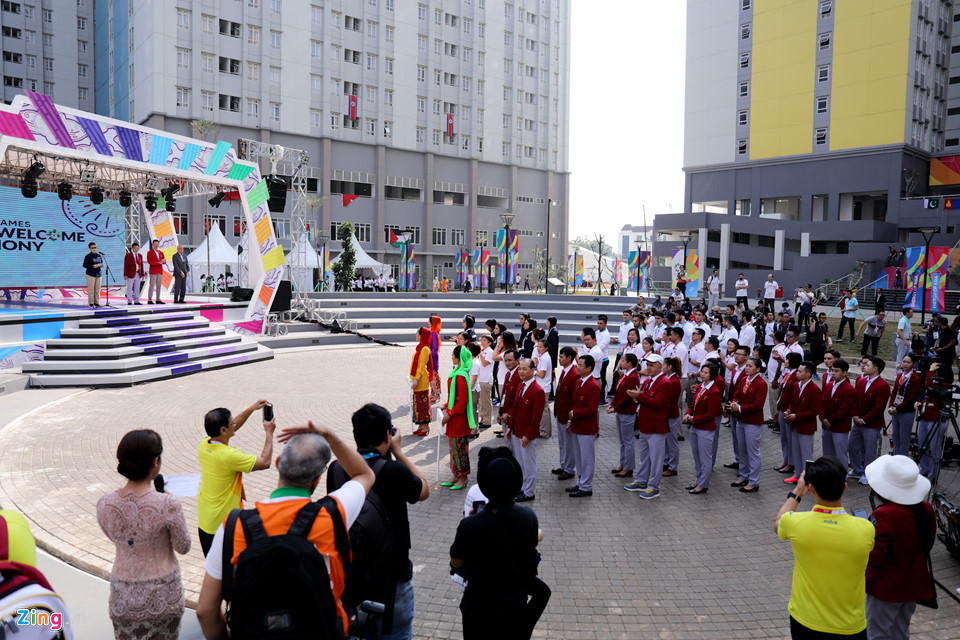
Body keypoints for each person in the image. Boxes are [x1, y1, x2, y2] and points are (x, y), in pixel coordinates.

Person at [196, 424, 376, 639]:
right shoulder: (333, 515)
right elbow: (364, 474)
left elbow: (205, 612)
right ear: (317, 479)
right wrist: (329, 436)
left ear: (279, 464)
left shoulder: (234, 526)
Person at [327, 404, 429, 640]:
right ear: (387, 435)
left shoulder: (336, 470)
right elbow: (423, 490)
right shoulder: (395, 471)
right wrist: (399, 452)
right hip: (393, 580)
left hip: (352, 579)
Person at [97, 430, 190, 640]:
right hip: (163, 596)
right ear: (155, 461)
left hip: (123, 596)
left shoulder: (104, 504)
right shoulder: (167, 504)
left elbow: (114, 538)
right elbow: (183, 546)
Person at [450, 446, 549, 640]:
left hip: (479, 607)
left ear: (485, 485)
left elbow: (456, 562)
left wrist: (471, 527)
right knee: (543, 592)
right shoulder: (528, 516)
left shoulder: (470, 524)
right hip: (514, 605)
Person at [775, 456, 875, 639]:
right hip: (851, 625)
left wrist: (798, 491)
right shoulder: (866, 529)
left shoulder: (795, 522)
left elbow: (778, 522)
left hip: (805, 621)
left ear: (811, 489)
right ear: (844, 488)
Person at [863, 455, 935, 640]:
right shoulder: (926, 509)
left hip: (886, 587)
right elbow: (928, 544)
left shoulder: (885, 515)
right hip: (913, 584)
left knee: (877, 633)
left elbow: (875, 556)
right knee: (901, 631)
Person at [196, 400, 275, 556]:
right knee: (230, 575)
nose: (235, 424)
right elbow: (265, 462)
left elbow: (232, 427)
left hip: (205, 523)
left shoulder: (205, 444)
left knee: (214, 571)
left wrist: (251, 408)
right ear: (223, 430)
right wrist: (269, 434)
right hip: (224, 526)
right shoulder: (229, 456)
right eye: (231, 424)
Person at [625, 353, 671, 499]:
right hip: (646, 425)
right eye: (648, 365)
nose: (648, 368)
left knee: (656, 459)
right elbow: (644, 400)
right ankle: (641, 480)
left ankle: (654, 487)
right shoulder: (648, 381)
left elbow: (658, 403)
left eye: (651, 365)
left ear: (660, 367)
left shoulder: (665, 383)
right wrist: (636, 398)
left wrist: (639, 397)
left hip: (656, 427)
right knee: (645, 457)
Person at [506, 358, 546, 502]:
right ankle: (522, 487)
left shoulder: (538, 391)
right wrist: (510, 427)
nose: (521, 372)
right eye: (520, 369)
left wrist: (528, 435)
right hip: (516, 431)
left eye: (524, 369)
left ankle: (529, 492)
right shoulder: (520, 386)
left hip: (527, 435)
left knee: (529, 464)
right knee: (520, 463)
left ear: (532, 370)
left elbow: (536, 418)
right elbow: (515, 409)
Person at [850, 356, 892, 485]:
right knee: (852, 445)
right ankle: (856, 469)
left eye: (867, 365)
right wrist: (855, 416)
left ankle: (868, 474)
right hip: (858, 421)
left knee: (869, 450)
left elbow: (878, 408)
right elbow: (855, 400)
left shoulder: (883, 386)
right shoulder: (862, 381)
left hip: (871, 424)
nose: (864, 366)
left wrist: (864, 420)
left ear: (875, 369)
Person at [729, 355, 767, 493]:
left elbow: (758, 405)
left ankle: (754, 481)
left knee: (753, 452)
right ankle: (743, 475)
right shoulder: (744, 379)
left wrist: (739, 408)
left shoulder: (761, 383)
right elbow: (736, 393)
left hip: (752, 422)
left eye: (750, 366)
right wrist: (734, 402)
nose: (747, 368)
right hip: (741, 420)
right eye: (747, 366)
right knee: (742, 449)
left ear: (757, 369)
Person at [684, 362, 723, 494]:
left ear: (712, 375)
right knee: (697, 456)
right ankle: (698, 479)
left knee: (705, 458)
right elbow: (693, 404)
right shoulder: (701, 386)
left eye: (706, 373)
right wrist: (688, 413)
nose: (702, 374)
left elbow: (711, 414)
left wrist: (694, 418)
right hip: (695, 426)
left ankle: (703, 484)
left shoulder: (714, 391)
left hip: (705, 428)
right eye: (702, 372)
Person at [565, 354, 601, 497]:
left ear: (589, 368)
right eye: (577, 364)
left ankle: (586, 487)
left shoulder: (593, 385)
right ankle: (581, 482)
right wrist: (570, 420)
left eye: (580, 365)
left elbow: (592, 409)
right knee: (578, 457)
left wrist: (574, 413)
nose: (577, 367)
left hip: (586, 428)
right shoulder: (579, 381)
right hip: (576, 426)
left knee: (586, 458)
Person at [783, 362, 823, 485]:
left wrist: (797, 416)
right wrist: (789, 411)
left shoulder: (814, 389)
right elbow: (792, 402)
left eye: (800, 371)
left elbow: (815, 410)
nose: (797, 373)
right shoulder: (796, 385)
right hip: (795, 424)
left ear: (808, 374)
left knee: (806, 453)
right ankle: (797, 474)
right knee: (795, 450)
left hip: (806, 426)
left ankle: (808, 477)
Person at [443, 345, 475, 490]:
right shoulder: (457, 372)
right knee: (453, 447)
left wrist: (449, 414)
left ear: (458, 357)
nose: (451, 357)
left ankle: (463, 477)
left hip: (458, 419)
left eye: (452, 355)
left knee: (460, 449)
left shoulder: (461, 376)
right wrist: (445, 405)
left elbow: (462, 402)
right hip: (454, 418)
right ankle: (455, 474)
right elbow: (453, 396)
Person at [607, 353, 640, 480]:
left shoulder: (632, 377)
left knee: (628, 441)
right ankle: (623, 464)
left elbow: (627, 397)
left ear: (630, 363)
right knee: (622, 441)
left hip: (627, 411)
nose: (621, 362)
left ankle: (628, 467)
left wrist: (615, 408)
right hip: (621, 410)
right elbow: (618, 392)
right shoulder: (625, 375)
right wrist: (612, 404)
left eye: (623, 360)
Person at [821, 359, 856, 469]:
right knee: (827, 452)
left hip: (839, 426)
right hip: (826, 424)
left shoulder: (848, 389)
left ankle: (842, 474)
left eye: (836, 371)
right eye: (832, 370)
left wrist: (829, 420)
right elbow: (822, 403)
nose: (833, 373)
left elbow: (844, 410)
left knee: (840, 452)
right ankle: (827, 471)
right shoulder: (829, 385)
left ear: (844, 373)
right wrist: (822, 417)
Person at [551, 347, 579, 481]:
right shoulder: (564, 371)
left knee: (569, 444)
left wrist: (571, 418)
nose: (559, 359)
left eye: (562, 356)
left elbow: (575, 397)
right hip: (560, 413)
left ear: (569, 358)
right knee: (562, 443)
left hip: (567, 415)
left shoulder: (574, 374)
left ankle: (569, 469)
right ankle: (563, 465)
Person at [887, 354, 921, 457]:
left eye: (908, 362)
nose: (905, 364)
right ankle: (896, 457)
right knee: (895, 436)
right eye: (904, 361)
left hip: (906, 411)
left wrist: (897, 408)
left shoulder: (915, 378)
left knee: (904, 438)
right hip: (896, 410)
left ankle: (903, 460)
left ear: (913, 364)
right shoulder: (899, 376)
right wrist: (891, 406)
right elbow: (894, 392)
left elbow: (911, 398)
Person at [410, 327, 434, 436]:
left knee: (423, 403)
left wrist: (416, 379)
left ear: (422, 335)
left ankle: (426, 427)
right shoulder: (420, 348)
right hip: (417, 379)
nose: (416, 335)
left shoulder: (425, 349)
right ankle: (420, 425)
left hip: (421, 380)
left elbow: (421, 366)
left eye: (417, 334)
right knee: (418, 404)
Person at [611, 309, 634, 392]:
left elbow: (629, 339)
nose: (625, 316)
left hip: (625, 351)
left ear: (631, 316)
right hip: (620, 350)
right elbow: (622, 337)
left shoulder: (631, 326)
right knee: (616, 370)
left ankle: (617, 389)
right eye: (624, 315)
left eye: (627, 315)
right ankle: (614, 388)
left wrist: (619, 341)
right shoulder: (621, 325)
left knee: (621, 371)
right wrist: (617, 340)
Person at [477, 335, 496, 429]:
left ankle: (487, 420)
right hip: (480, 378)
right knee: (481, 401)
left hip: (486, 379)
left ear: (489, 343)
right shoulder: (483, 351)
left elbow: (485, 363)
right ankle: (483, 419)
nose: (482, 341)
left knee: (486, 401)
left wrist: (480, 355)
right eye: (482, 339)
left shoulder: (489, 352)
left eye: (485, 340)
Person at [82, 241, 104, 307]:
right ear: (90, 248)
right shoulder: (88, 256)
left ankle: (96, 302)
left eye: (95, 247)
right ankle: (91, 302)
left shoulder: (99, 255)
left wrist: (101, 265)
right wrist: (92, 266)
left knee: (97, 289)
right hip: (90, 274)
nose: (94, 249)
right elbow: (84, 265)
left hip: (98, 274)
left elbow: (101, 262)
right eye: (92, 248)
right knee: (91, 289)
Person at [596, 315, 612, 403]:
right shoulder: (597, 332)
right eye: (598, 323)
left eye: (601, 323)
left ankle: (603, 398)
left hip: (603, 360)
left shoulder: (606, 335)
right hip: (597, 360)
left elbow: (600, 347)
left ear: (605, 324)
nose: (599, 325)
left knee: (602, 379)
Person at [147, 239, 166, 304]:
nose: (156, 245)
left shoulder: (161, 252)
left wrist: (163, 261)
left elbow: (164, 261)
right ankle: (149, 299)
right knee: (152, 285)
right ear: (153, 244)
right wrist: (159, 262)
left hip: (160, 271)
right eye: (155, 244)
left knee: (159, 286)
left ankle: (158, 299)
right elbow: (150, 262)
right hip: (153, 271)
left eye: (157, 244)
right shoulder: (150, 252)